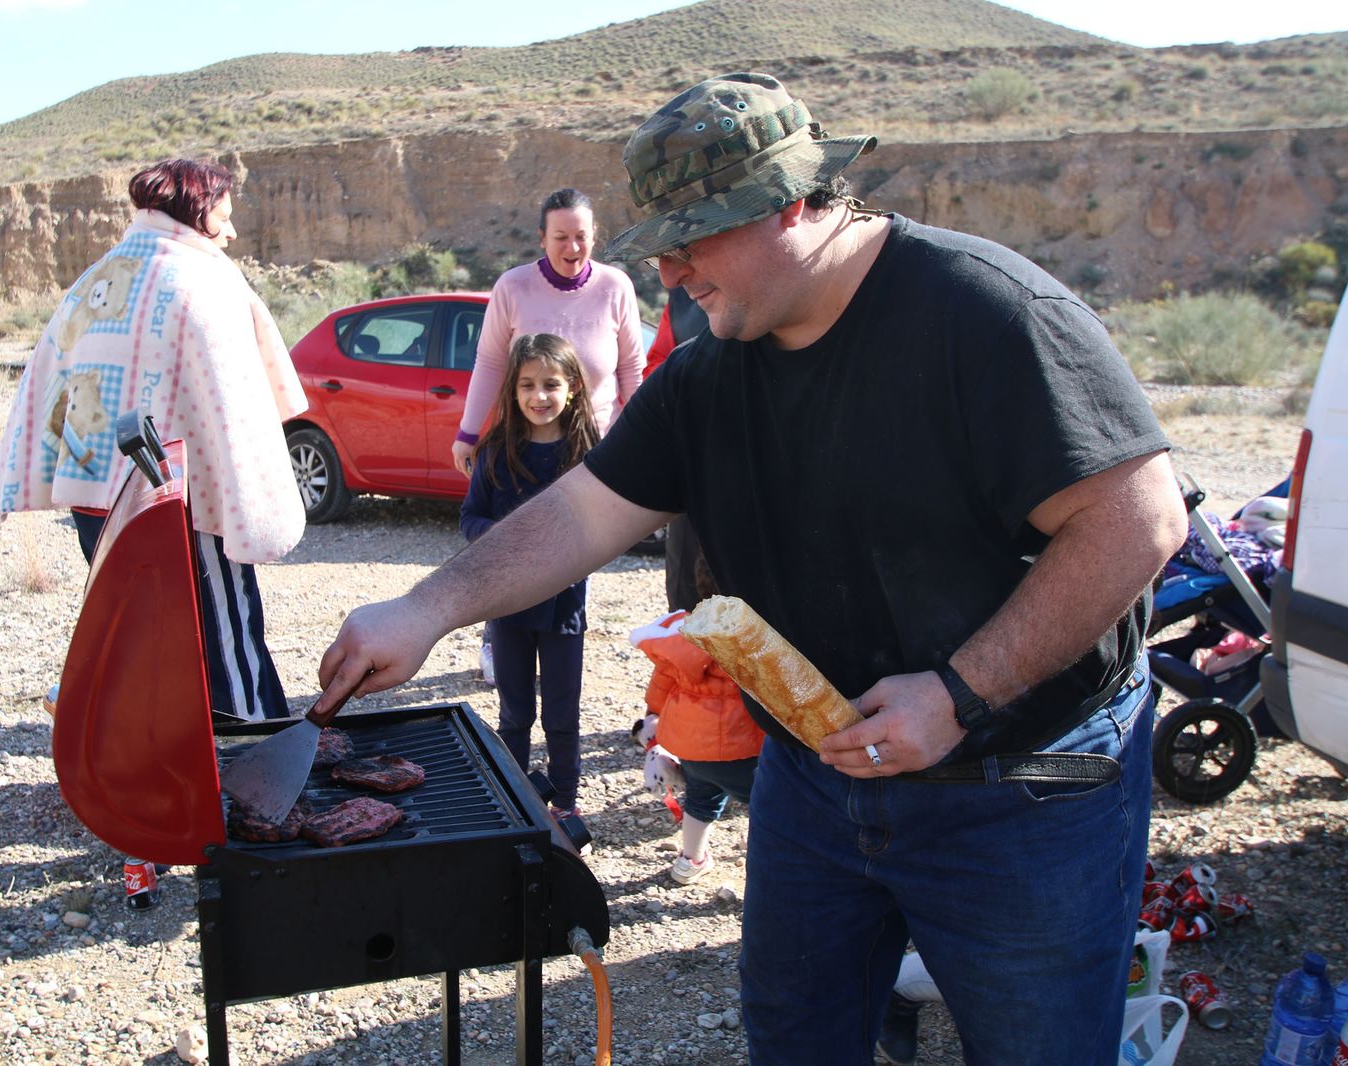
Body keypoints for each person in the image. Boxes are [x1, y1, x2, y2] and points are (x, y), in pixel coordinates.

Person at [316, 71, 1186, 1065]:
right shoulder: (712, 367)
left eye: (695, 236)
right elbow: (580, 512)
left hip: (1018, 784)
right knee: (794, 1039)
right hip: (816, 781)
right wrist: (426, 606)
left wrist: (959, 692)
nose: (670, 269)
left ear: (792, 203)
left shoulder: (986, 315)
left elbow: (1137, 522)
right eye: (661, 243)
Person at [0, 157, 307, 726]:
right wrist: (254, 507)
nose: (232, 232)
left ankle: (156, 749)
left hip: (96, 501)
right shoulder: (199, 281)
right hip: (181, 504)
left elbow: (51, 380)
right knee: (224, 638)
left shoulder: (99, 278)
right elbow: (234, 404)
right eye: (223, 217)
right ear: (195, 213)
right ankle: (252, 745)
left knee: (147, 634)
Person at [450, 188, 646, 684]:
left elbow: (631, 369)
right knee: (515, 535)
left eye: (581, 236)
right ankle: (500, 636)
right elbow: (489, 362)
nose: (572, 247)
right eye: (561, 237)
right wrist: (468, 432)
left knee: (573, 549)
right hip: (522, 444)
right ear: (542, 237)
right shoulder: (513, 287)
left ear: (594, 236)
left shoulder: (616, 286)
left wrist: (640, 439)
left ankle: (561, 644)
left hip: (591, 448)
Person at [459, 333, 600, 820]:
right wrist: (506, 538)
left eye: (550, 384)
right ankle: (516, 804)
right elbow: (470, 517)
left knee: (562, 717)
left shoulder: (589, 453)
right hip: (508, 606)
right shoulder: (496, 451)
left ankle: (565, 805)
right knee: (515, 714)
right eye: (527, 385)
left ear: (573, 387)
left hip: (564, 608)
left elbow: (603, 524)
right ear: (512, 390)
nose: (539, 396)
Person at [629, 555, 762, 884]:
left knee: (701, 800)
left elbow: (661, 684)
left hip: (690, 746)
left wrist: (652, 717)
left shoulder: (684, 631)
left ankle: (690, 860)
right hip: (741, 748)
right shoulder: (753, 638)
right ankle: (765, 866)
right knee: (767, 804)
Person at [642, 287, 709, 611]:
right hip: (694, 459)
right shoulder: (682, 297)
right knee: (686, 590)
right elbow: (656, 367)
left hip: (763, 466)